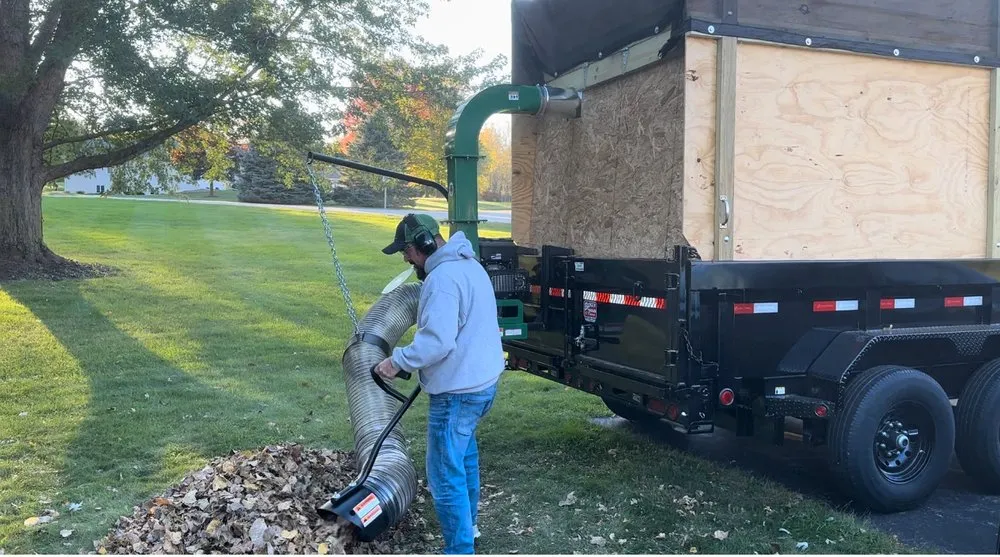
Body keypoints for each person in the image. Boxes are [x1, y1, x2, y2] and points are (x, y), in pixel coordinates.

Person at [374, 213, 504, 554]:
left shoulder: (443, 279)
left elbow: (437, 342)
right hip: (482, 384)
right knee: (464, 459)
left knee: (445, 477)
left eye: (407, 250)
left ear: (425, 245)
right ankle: (470, 528)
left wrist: (395, 361)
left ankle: (460, 550)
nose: (405, 257)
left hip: (458, 393)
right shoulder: (469, 264)